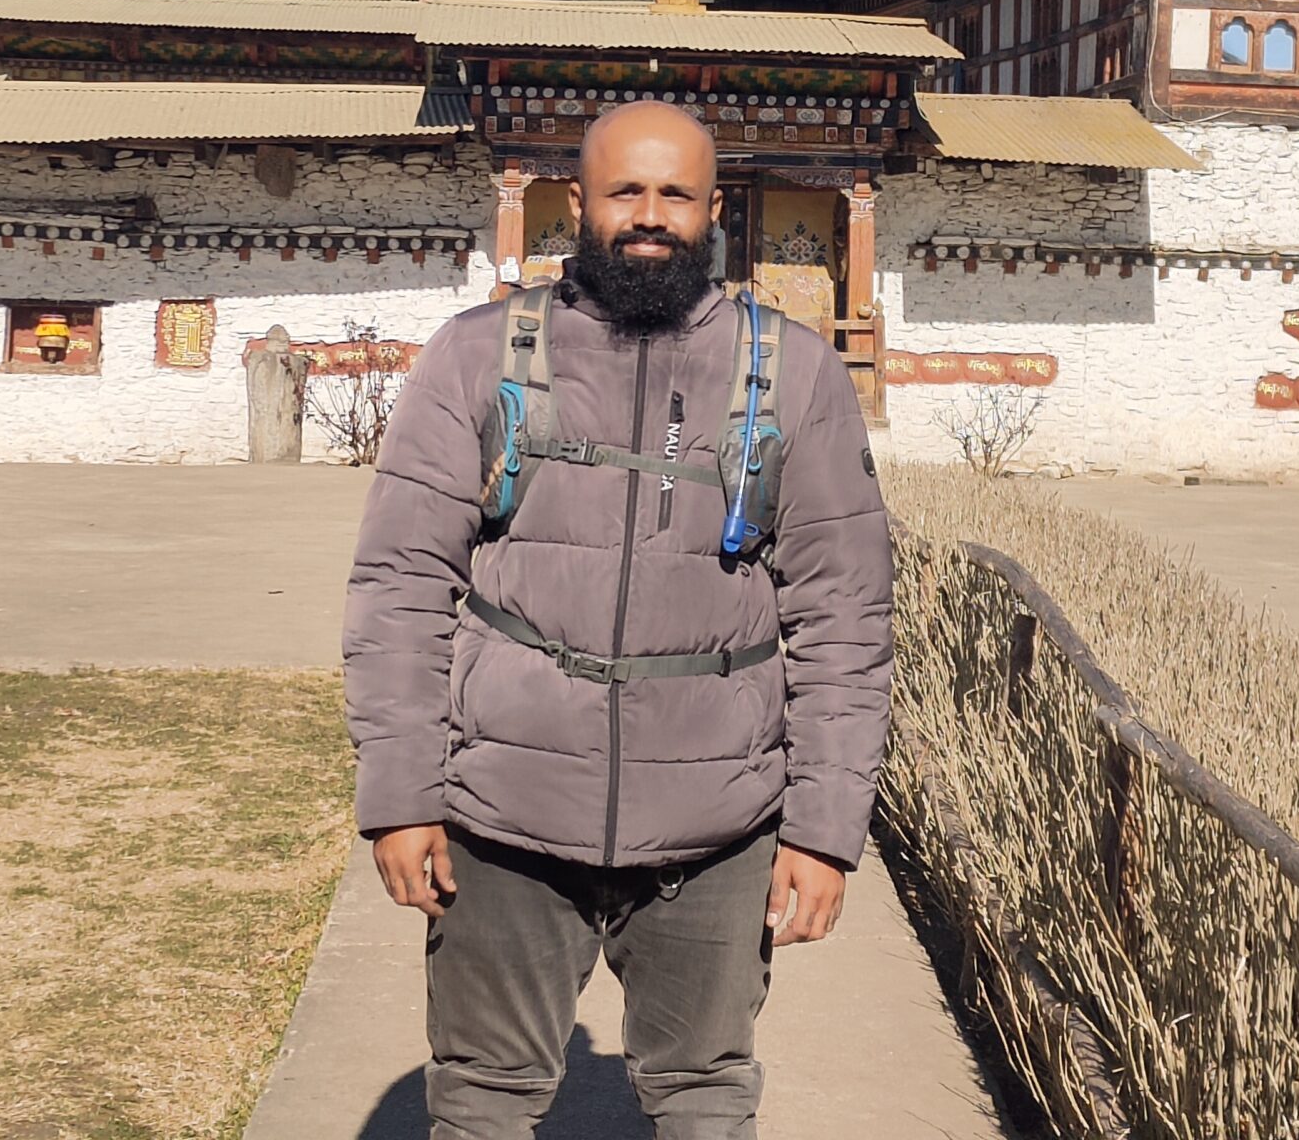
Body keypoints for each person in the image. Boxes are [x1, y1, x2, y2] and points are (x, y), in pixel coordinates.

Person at [344, 99, 895, 1139]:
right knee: (481, 1100)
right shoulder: (477, 356)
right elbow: (399, 587)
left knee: (704, 1099)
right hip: (504, 816)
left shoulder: (794, 374)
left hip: (718, 826)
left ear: (713, 210)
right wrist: (400, 796)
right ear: (578, 202)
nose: (650, 215)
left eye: (675, 194)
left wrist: (825, 832)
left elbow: (847, 619)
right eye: (625, 191)